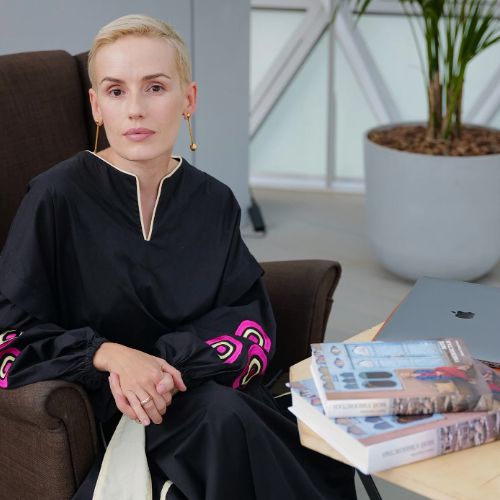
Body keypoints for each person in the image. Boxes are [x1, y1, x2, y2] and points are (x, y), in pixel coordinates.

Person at [0, 14, 356, 500]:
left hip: (202, 389)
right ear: (96, 106)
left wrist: (165, 368)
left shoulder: (214, 202)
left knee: (269, 428)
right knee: (227, 422)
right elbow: (10, 335)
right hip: (111, 410)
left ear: (188, 99)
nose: (136, 109)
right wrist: (112, 355)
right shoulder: (55, 197)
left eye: (155, 87)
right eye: (117, 91)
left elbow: (249, 322)